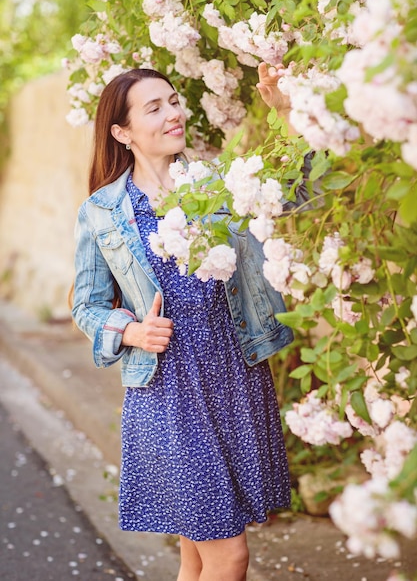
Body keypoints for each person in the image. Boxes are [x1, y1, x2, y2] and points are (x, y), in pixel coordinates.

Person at [71, 65, 299, 581]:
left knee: (197, 557)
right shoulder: (102, 212)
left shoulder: (216, 185)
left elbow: (295, 194)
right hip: (168, 390)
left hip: (235, 379)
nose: (173, 112)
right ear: (122, 132)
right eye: (154, 107)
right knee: (230, 556)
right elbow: (86, 304)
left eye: (173, 101)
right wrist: (129, 332)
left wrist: (285, 113)